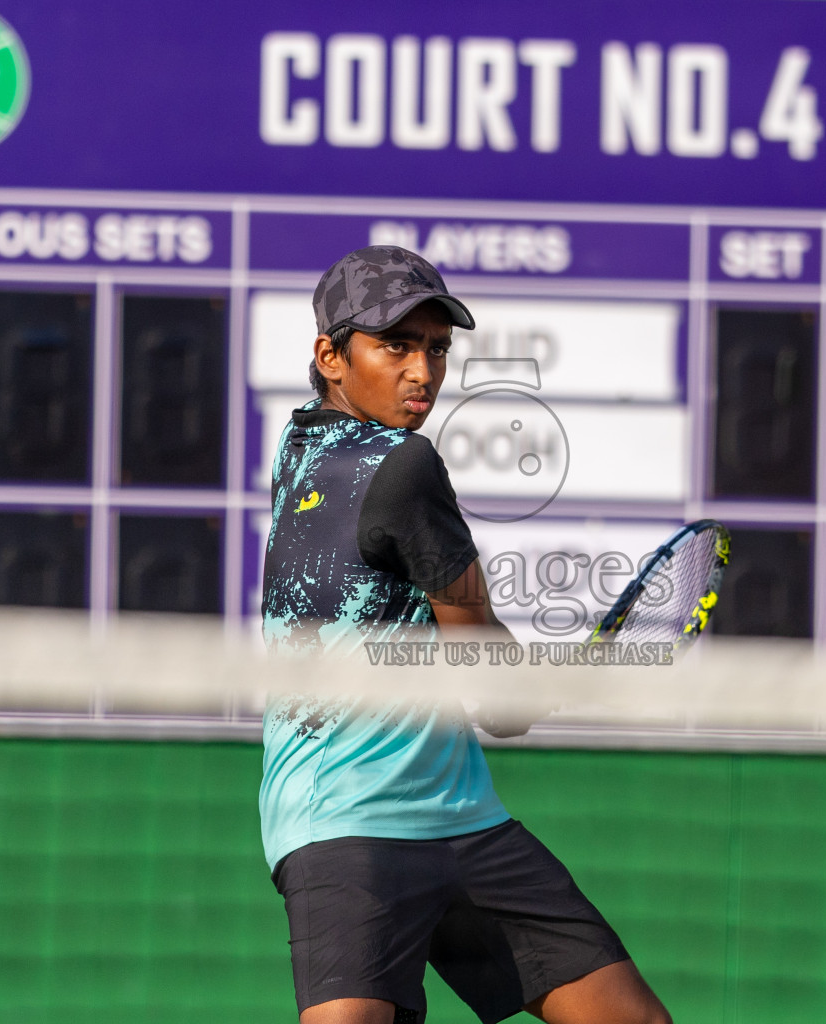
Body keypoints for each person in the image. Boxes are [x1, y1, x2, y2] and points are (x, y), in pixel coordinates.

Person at [260, 246, 672, 1024]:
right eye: (396, 345)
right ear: (330, 356)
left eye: (438, 348)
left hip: (457, 818)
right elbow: (495, 695)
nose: (422, 371)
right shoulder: (404, 465)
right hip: (349, 823)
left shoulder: (298, 447)